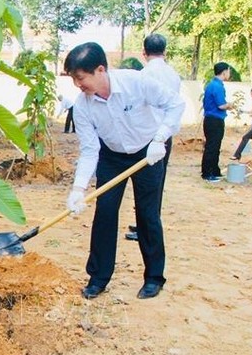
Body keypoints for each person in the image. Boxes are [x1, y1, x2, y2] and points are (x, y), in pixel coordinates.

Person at [63, 42, 185, 300]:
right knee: (105, 212)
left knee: (148, 215)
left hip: (147, 152)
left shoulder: (136, 82)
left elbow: (175, 104)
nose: (77, 85)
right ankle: (98, 277)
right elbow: (89, 149)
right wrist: (78, 189)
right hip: (112, 155)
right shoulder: (83, 105)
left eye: (80, 78)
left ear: (99, 70)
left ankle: (154, 278)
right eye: (74, 79)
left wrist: (160, 138)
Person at [125, 33, 181, 242]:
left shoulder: (144, 74)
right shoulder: (173, 74)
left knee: (145, 186)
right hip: (165, 135)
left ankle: (145, 227)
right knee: (156, 182)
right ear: (165, 51)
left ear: (144, 52)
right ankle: (145, 223)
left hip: (148, 136)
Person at [200, 62, 234, 182]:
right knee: (212, 147)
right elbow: (221, 105)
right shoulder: (217, 86)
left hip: (212, 120)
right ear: (224, 72)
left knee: (214, 146)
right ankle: (207, 173)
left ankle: (214, 170)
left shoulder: (213, 84)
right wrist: (230, 105)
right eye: (229, 71)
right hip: (214, 120)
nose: (229, 74)